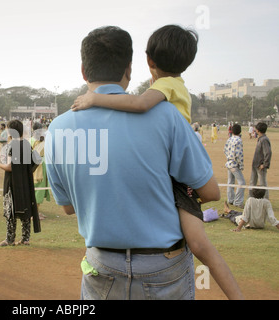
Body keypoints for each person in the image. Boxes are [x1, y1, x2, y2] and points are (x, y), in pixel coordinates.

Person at [45, 26, 243, 300]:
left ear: (83, 70)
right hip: (164, 268)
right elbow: (209, 191)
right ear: (129, 68)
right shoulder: (167, 115)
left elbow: (68, 206)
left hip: (101, 267)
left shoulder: (58, 129)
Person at [0, 119, 41, 246]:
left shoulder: (12, 146)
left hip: (12, 182)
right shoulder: (26, 144)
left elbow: (9, 167)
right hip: (25, 183)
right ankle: (25, 238)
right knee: (25, 208)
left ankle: (10, 239)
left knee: (10, 209)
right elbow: (36, 160)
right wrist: (26, 172)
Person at [31, 122, 50, 220]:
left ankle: (36, 211)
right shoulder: (36, 140)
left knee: (37, 189)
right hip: (38, 167)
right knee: (38, 190)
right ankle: (34, 213)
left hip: (36, 166)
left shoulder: (32, 140)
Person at [224, 123, 245, 208]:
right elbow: (239, 154)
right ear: (240, 131)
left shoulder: (229, 139)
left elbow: (224, 150)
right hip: (234, 164)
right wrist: (241, 165)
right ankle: (238, 202)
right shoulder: (239, 140)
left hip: (229, 163)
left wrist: (228, 157)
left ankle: (230, 199)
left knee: (230, 182)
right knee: (242, 182)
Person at [249, 122, 271, 199]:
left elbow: (268, 153)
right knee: (252, 182)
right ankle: (251, 198)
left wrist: (264, 164)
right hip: (255, 164)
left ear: (257, 130)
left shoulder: (264, 140)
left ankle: (265, 200)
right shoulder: (261, 139)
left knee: (262, 184)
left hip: (260, 165)